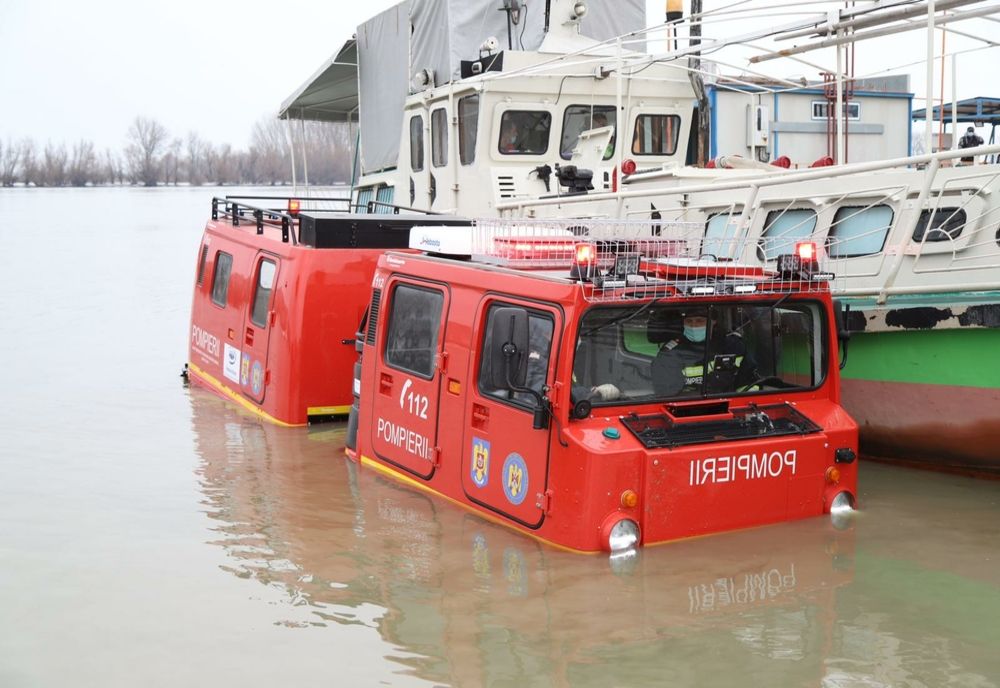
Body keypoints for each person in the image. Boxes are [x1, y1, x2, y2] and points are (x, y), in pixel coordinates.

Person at [650, 307, 756, 397]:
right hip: (686, 409)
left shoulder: (732, 346)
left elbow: (748, 381)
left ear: (713, 321)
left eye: (700, 321)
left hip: (728, 406)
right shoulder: (671, 351)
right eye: (689, 321)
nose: (693, 326)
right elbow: (666, 391)